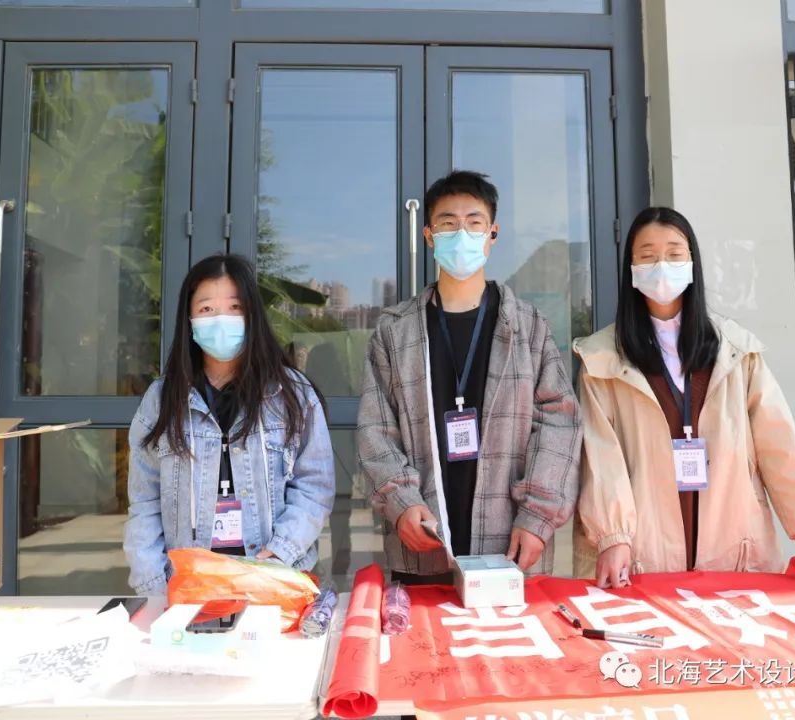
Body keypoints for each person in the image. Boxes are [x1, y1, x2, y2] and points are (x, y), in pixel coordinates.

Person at [574, 207, 795, 592]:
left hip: (735, 548)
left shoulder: (736, 350)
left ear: (692, 262)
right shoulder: (602, 359)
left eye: (674, 254)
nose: (662, 266)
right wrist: (613, 537)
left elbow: (779, 443)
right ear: (631, 268)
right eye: (647, 256)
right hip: (642, 552)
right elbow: (600, 457)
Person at [357, 170, 582, 583]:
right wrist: (401, 502)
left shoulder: (528, 326)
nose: (461, 234)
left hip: (511, 541)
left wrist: (538, 515)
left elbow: (559, 421)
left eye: (474, 222)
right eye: (448, 223)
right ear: (429, 236)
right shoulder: (394, 331)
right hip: (423, 538)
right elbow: (376, 429)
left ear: (492, 234)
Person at [124, 254, 335, 595]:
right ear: (189, 320)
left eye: (235, 307)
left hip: (271, 582)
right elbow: (145, 502)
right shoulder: (161, 399)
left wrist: (279, 553)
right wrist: (154, 586)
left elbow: (314, 487)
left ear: (252, 315)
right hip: (190, 587)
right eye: (207, 309)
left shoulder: (292, 394)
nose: (221, 319)